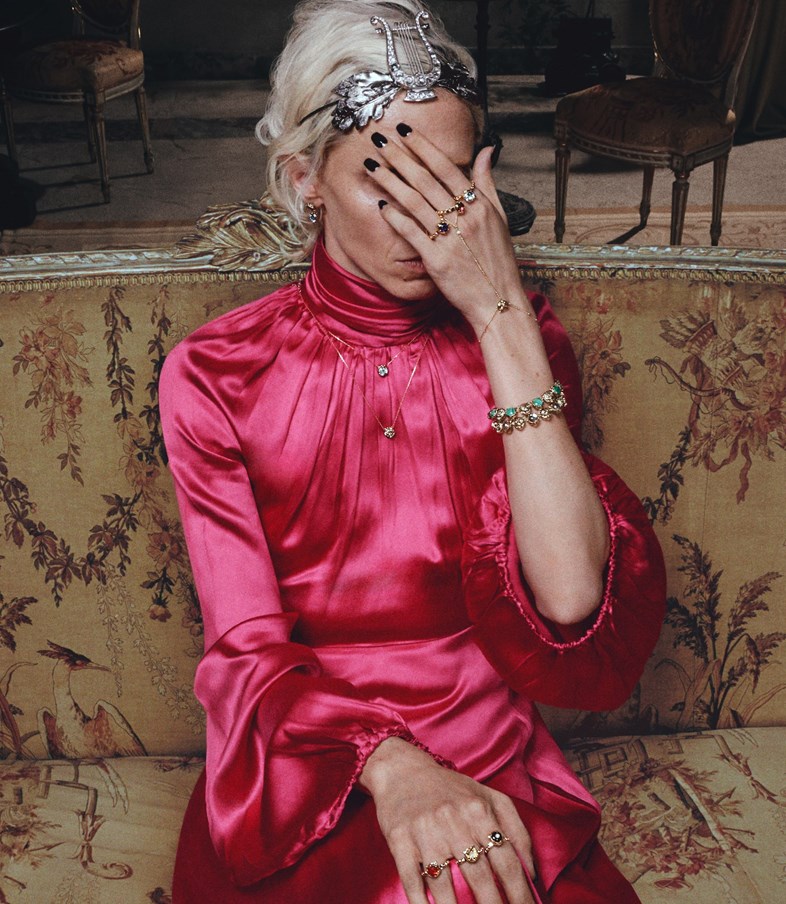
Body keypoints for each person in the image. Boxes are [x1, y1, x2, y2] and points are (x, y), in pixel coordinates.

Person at [160, 2, 666, 902]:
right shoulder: (215, 373)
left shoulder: (522, 341)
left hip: (489, 757)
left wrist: (498, 312)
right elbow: (245, 649)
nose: (424, 226)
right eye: (385, 183)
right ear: (305, 178)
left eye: (448, 186)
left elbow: (570, 599)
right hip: (307, 766)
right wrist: (395, 771)